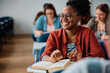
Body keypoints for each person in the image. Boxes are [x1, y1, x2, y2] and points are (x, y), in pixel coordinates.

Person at [41, 0, 105, 63]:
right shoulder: (54, 35)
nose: (64, 18)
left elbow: (100, 55)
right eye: (61, 15)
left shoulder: (88, 33)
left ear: (78, 18)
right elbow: (44, 56)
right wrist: (51, 58)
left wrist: (81, 59)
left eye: (68, 15)